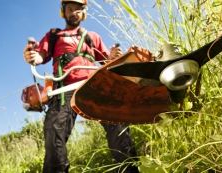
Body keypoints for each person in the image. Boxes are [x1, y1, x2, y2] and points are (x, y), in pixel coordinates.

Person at [23, 0, 139, 172]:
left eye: (78, 10)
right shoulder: (54, 35)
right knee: (54, 130)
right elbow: (40, 56)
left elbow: (107, 61)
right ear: (63, 12)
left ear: (83, 13)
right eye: (70, 9)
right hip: (65, 89)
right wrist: (32, 56)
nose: (74, 13)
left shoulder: (93, 37)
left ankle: (129, 169)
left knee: (118, 124)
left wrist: (112, 56)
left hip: (93, 86)